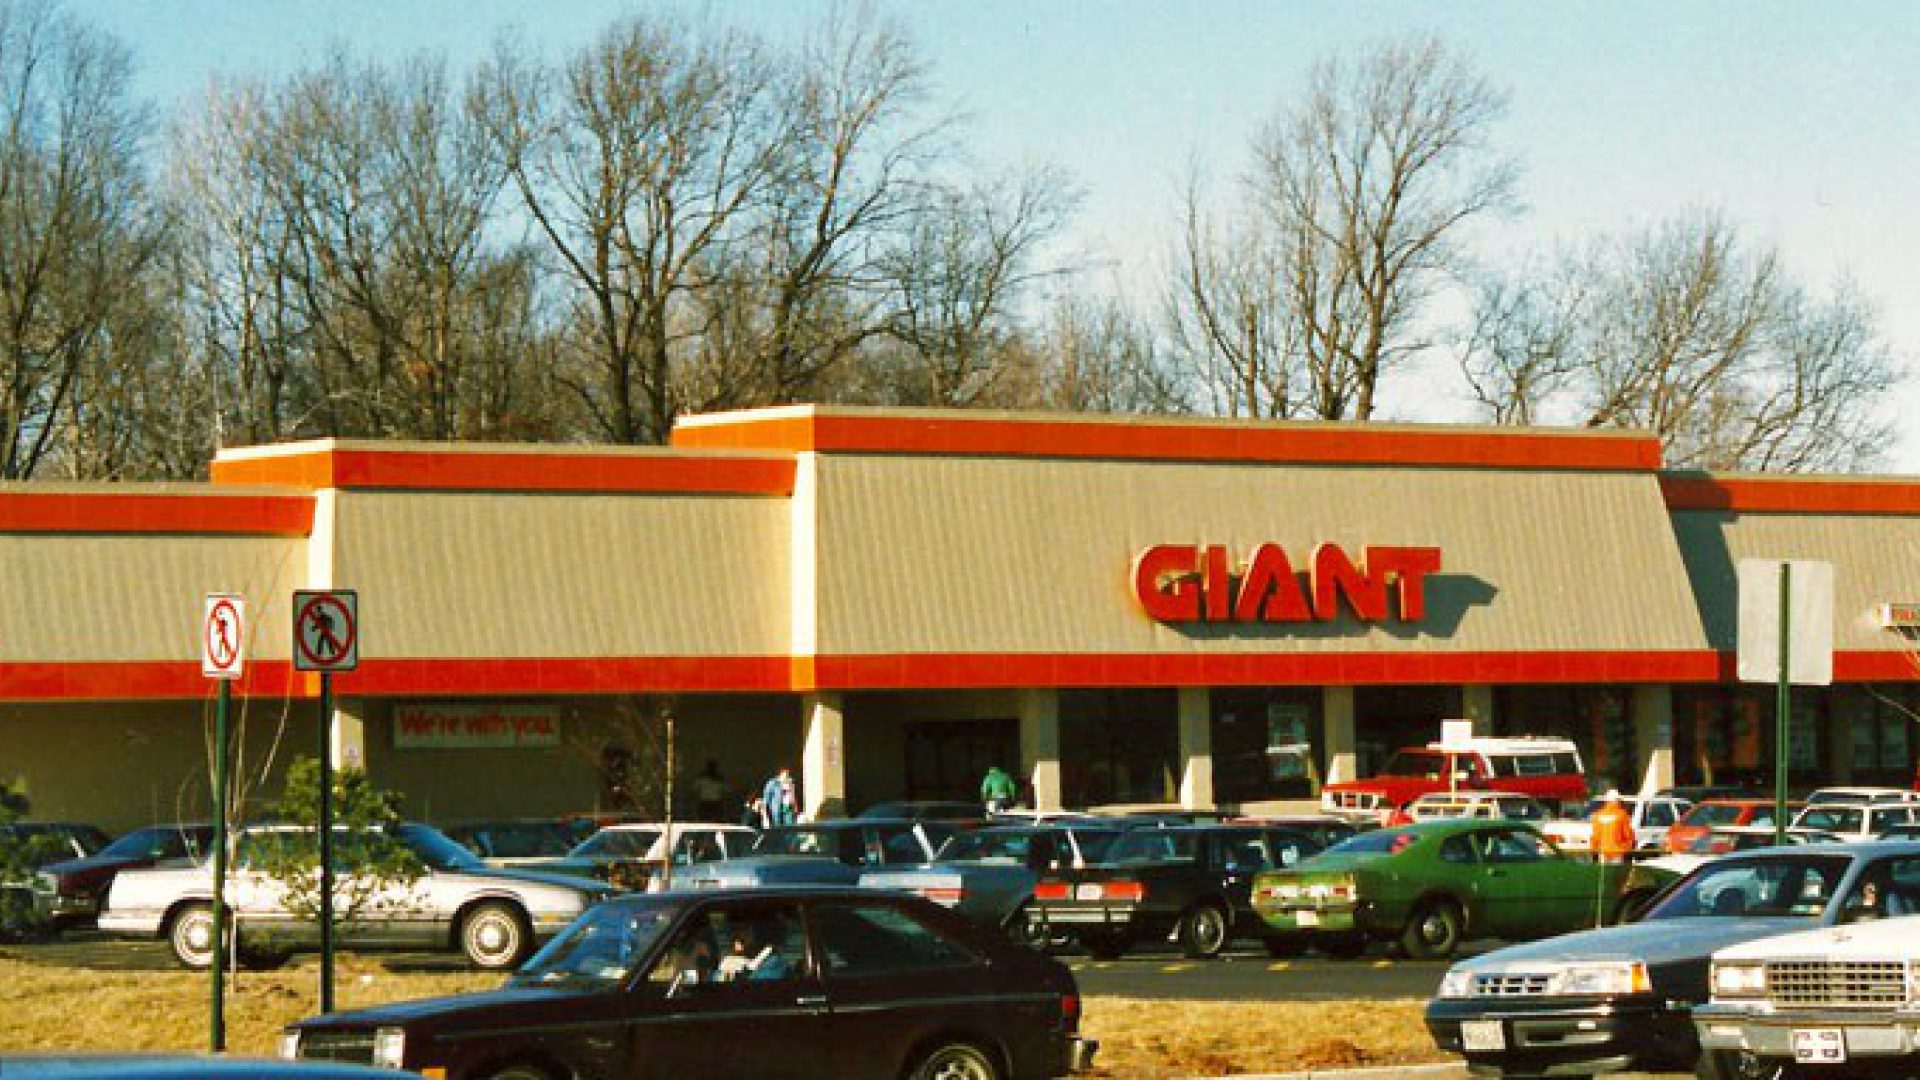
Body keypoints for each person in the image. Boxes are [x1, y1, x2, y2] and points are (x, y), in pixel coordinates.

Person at [1591, 790, 1637, 865]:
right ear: (1617, 800)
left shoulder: (1598, 815)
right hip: (1617, 852)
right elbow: (1628, 834)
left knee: (1604, 875)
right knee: (1616, 875)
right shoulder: (1622, 814)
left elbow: (1595, 836)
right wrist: (1628, 846)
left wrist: (1594, 850)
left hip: (1602, 851)